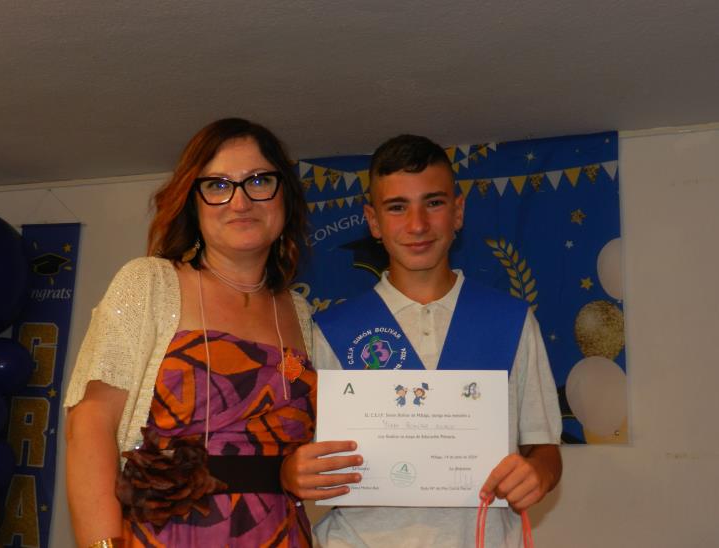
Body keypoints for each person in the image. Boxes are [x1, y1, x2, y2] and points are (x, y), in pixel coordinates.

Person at [281, 134, 562, 547]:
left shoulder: (511, 320)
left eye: (433, 203)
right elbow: (296, 451)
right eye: (397, 207)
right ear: (373, 221)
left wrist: (539, 473)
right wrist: (290, 473)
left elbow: (545, 449)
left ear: (458, 211)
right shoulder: (330, 330)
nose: (417, 225)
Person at [64, 118, 316, 547]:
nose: (240, 201)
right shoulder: (149, 283)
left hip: (281, 534)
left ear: (285, 196)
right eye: (217, 185)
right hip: (168, 534)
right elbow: (90, 425)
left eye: (259, 181)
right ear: (192, 202)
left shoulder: (300, 311)